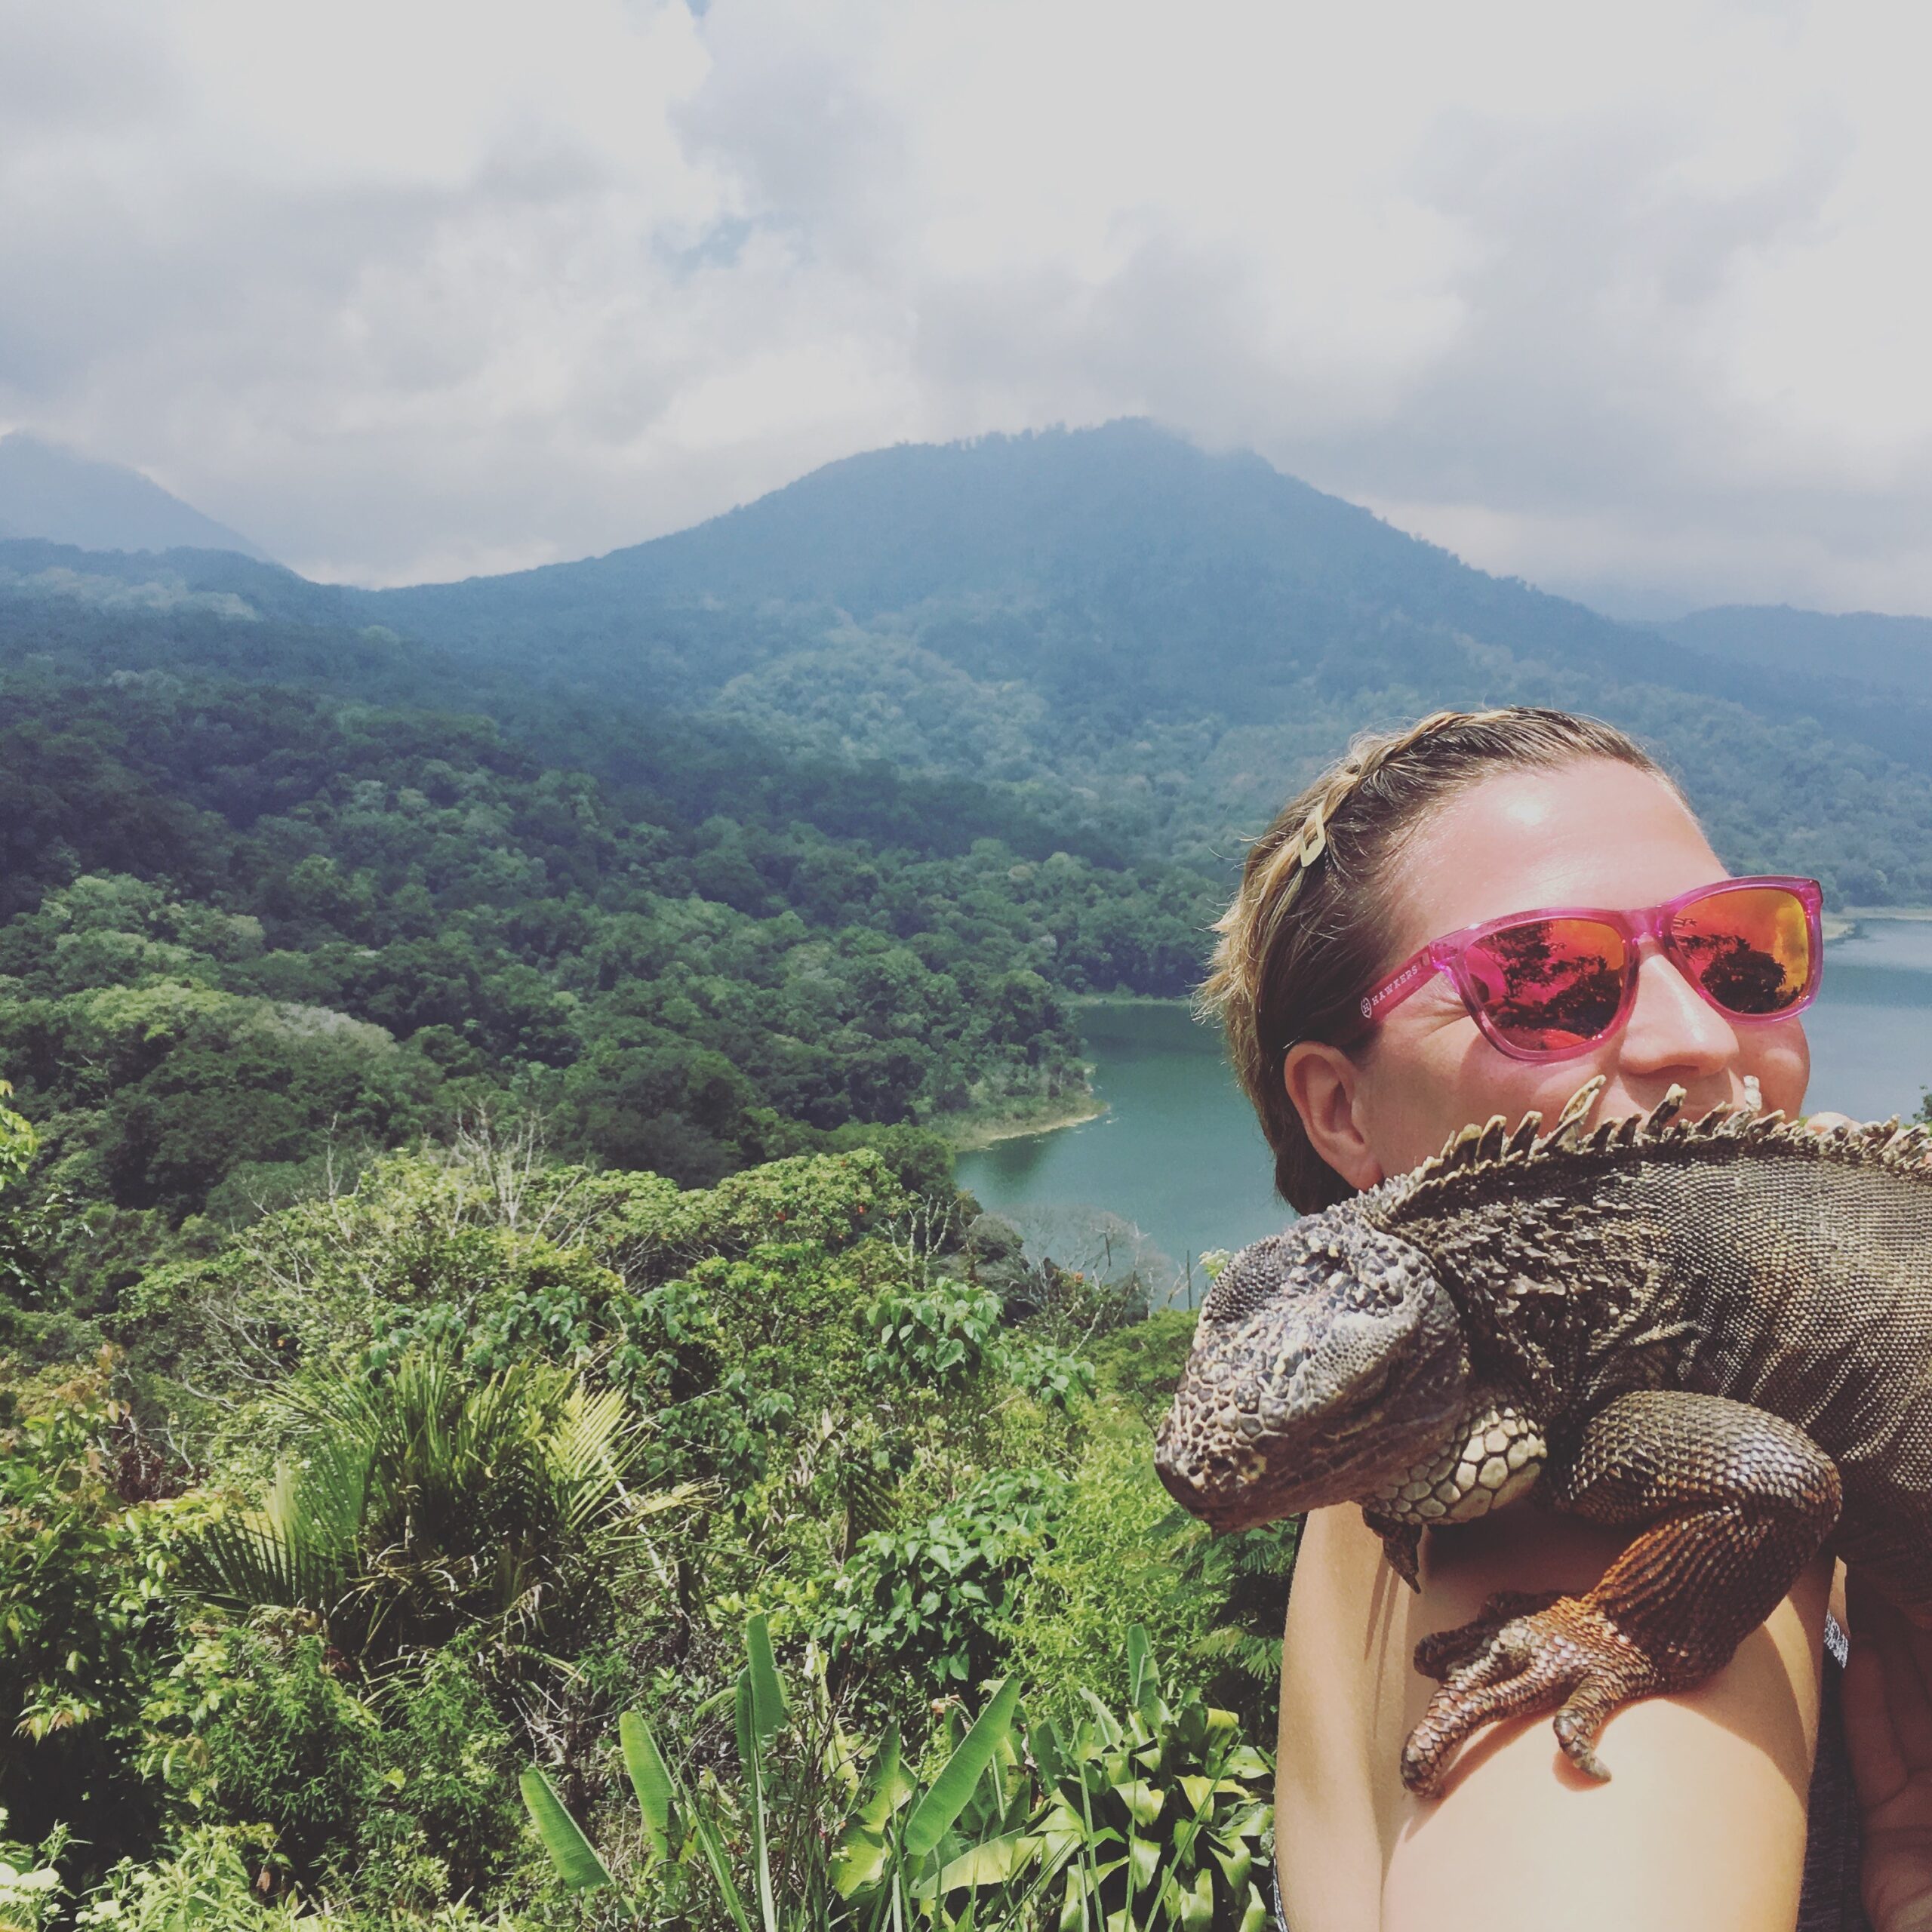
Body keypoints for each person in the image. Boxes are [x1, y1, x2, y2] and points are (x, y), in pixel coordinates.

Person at [1200, 706, 1932, 1932]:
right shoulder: (1609, 1532)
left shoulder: (1391, 1427)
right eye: (1544, 980)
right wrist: (1619, 1631)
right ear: (1338, 1110)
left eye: (1738, 952)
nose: (1696, 1035)